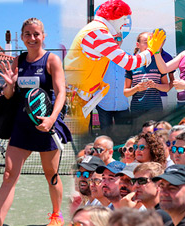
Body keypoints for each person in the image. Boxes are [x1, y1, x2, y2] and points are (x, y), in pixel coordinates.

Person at [0, 17, 72, 226]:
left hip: (45, 125)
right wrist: (9, 84)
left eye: (36, 33)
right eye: (27, 34)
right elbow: (9, 96)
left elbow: (61, 92)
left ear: (43, 36)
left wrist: (52, 119)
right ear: (22, 36)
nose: (32, 38)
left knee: (51, 174)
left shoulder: (52, 60)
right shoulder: (18, 61)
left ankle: (57, 215)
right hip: (21, 127)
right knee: (8, 175)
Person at [64, 0, 165, 134]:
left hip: (78, 98)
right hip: (76, 98)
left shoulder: (95, 30)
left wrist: (95, 83)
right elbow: (130, 63)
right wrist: (151, 50)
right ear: (114, 17)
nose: (124, 23)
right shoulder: (98, 32)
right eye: (123, 18)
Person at [124, 31, 170, 121]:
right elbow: (125, 92)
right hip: (137, 111)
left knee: (156, 134)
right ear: (138, 45)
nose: (149, 45)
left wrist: (155, 85)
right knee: (138, 134)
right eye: (146, 42)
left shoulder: (158, 62)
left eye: (151, 42)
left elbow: (167, 87)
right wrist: (137, 88)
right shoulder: (132, 63)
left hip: (156, 110)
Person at [96, 32, 130, 135]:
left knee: (124, 138)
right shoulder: (99, 59)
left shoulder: (128, 58)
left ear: (122, 41)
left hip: (122, 105)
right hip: (104, 105)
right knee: (106, 138)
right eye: (113, 38)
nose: (116, 41)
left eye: (118, 39)